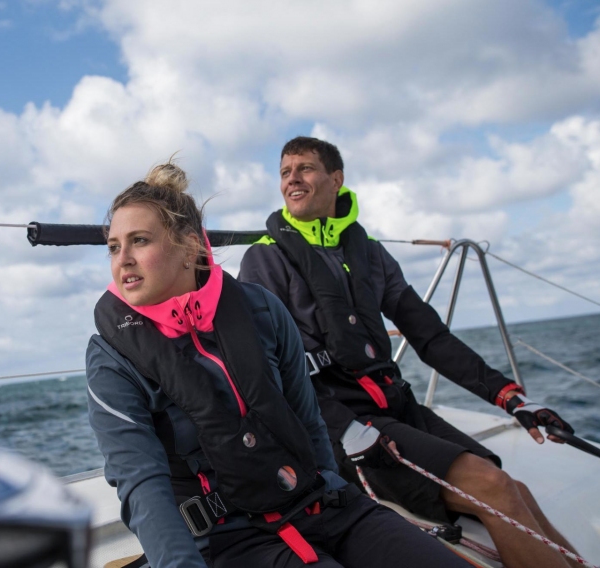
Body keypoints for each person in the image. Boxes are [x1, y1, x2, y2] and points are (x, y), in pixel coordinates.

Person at [85, 161, 473, 567]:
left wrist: (332, 489)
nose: (123, 259)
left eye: (139, 241)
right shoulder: (112, 357)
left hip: (320, 503)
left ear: (189, 247)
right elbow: (141, 483)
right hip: (230, 539)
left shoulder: (261, 309)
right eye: (113, 246)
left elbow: (309, 422)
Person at [239, 136, 580, 568]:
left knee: (514, 490)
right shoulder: (265, 260)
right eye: (285, 172)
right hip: (342, 428)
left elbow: (430, 336)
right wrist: (343, 428)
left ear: (336, 179)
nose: (292, 179)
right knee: (493, 488)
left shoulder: (369, 253)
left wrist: (510, 397)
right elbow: (265, 369)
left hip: (397, 407)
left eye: (304, 168)